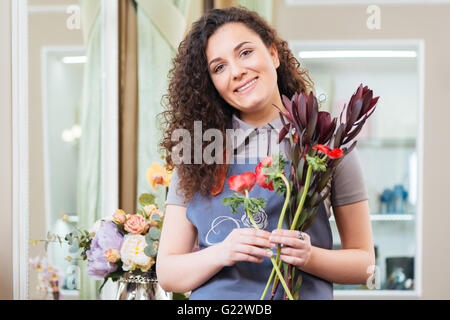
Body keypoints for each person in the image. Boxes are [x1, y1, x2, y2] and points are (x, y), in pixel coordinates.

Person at [156, 6, 375, 300]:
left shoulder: (326, 142)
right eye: (219, 67)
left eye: (245, 52)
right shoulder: (198, 149)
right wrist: (222, 252)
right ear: (212, 84)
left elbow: (365, 266)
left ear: (273, 54)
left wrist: (310, 257)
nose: (236, 71)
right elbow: (168, 273)